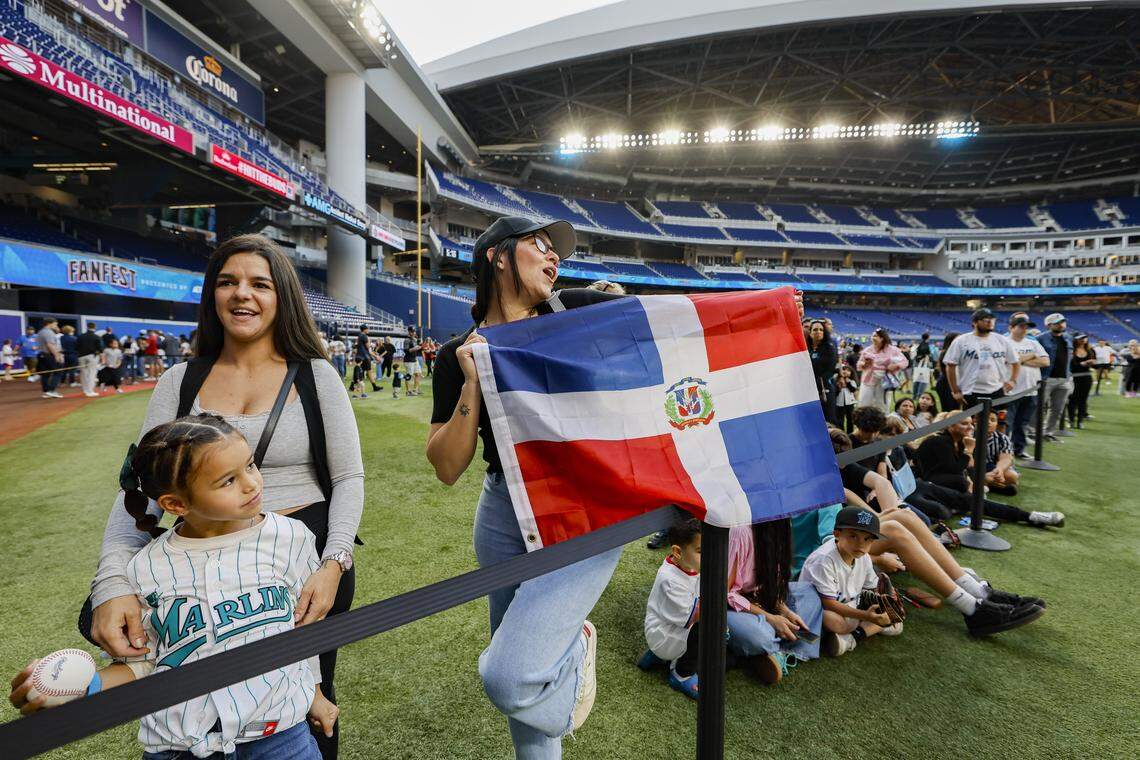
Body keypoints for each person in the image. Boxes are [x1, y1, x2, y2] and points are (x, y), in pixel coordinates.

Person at [87, 234, 364, 759]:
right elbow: (140, 491)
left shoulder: (315, 375)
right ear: (212, 296)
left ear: (281, 295)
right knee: (196, 691)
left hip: (302, 563)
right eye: (228, 282)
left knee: (307, 696)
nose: (243, 295)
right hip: (205, 565)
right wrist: (111, 585)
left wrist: (334, 563)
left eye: (260, 284)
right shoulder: (179, 380)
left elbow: (349, 478)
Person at [10, 416, 338, 757]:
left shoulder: (291, 537)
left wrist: (313, 693)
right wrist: (85, 686)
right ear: (175, 505)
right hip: (178, 747)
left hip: (282, 737)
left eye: (250, 465)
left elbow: (300, 628)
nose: (251, 483)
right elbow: (145, 662)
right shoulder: (144, 568)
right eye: (228, 481)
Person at [427, 215, 630, 756]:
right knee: (518, 662)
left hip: (586, 504)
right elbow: (447, 466)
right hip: (503, 510)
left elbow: (667, 328)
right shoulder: (456, 355)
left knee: (511, 674)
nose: (553, 255)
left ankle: (571, 645)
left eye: (555, 249)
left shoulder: (579, 311)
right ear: (497, 255)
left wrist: (765, 313)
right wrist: (473, 382)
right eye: (539, 245)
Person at [726, 520, 822, 684]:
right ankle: (768, 646)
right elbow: (725, 593)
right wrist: (770, 618)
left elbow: (770, 585)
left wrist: (784, 611)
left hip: (759, 600)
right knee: (759, 634)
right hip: (732, 607)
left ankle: (778, 652)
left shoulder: (781, 528)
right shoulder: (741, 531)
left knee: (808, 592)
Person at [800, 507, 902, 657]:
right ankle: (863, 629)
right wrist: (866, 616)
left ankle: (851, 638)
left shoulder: (864, 557)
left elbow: (871, 587)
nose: (861, 544)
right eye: (853, 536)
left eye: (867, 539)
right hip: (818, 610)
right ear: (837, 534)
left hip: (849, 605)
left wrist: (886, 599)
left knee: (892, 617)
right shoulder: (823, 560)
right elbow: (829, 604)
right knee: (832, 620)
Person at [639, 516, 701, 700]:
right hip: (663, 636)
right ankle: (682, 674)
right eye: (700, 551)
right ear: (677, 551)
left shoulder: (690, 566)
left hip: (671, 630)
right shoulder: (670, 579)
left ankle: (659, 658)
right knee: (709, 626)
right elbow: (692, 617)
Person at [942, 308, 1020, 409]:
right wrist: (955, 390)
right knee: (972, 422)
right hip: (970, 391)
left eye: (992, 319)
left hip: (996, 390)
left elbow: (1015, 361)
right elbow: (950, 365)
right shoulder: (961, 341)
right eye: (985, 320)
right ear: (975, 322)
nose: (990, 322)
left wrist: (1012, 380)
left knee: (998, 423)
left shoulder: (1001, 340)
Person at [1004, 314, 1050, 458]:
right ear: (1011, 327)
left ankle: (1019, 449)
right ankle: (1002, 451)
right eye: (1021, 326)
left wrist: (1019, 360)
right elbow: (1005, 361)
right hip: (1010, 390)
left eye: (1026, 327)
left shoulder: (1032, 342)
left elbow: (1045, 362)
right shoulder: (1003, 342)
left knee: (1022, 423)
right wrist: (1030, 356)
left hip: (1031, 389)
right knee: (1006, 424)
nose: (1025, 330)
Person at [1038, 313, 1073, 440]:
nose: (1061, 325)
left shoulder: (1068, 337)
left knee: (1057, 409)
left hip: (1064, 378)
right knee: (1038, 408)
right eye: (1057, 323)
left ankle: (1048, 433)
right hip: (1046, 378)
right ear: (1049, 325)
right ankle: (1033, 433)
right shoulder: (1040, 338)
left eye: (1062, 322)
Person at [856, 328, 908, 410]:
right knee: (864, 403)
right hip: (868, 380)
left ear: (882, 338)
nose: (873, 338)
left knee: (883, 405)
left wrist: (895, 366)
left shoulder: (893, 350)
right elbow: (859, 365)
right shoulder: (867, 350)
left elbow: (905, 362)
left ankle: (882, 421)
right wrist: (865, 364)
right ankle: (863, 421)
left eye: (875, 336)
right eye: (872, 336)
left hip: (885, 381)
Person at [807, 319, 837, 419]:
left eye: (821, 330)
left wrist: (818, 381)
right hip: (809, 388)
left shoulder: (829, 348)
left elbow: (830, 369)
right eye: (815, 330)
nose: (818, 332)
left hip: (825, 387)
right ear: (810, 333)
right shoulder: (806, 349)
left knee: (828, 417)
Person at [985, 410, 1019, 496]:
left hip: (993, 466)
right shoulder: (969, 434)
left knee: (1012, 476)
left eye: (992, 420)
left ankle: (989, 485)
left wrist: (999, 470)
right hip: (974, 467)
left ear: (996, 424)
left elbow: (1006, 458)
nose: (989, 422)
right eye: (985, 418)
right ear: (975, 421)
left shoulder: (1002, 438)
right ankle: (992, 486)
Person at [1068, 334, 1096, 428]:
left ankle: (1080, 421)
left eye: (1084, 338)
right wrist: (1082, 364)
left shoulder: (1090, 350)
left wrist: (1092, 363)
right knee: (1072, 399)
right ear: (1075, 340)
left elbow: (1095, 365)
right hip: (1074, 377)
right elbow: (1071, 366)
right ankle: (1071, 420)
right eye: (1080, 338)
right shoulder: (1071, 350)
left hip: (1086, 377)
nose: (1083, 340)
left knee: (1083, 400)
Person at [36, 318, 64, 399]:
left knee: (45, 374)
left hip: (41, 355)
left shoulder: (41, 331)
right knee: (58, 371)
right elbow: (50, 345)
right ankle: (52, 391)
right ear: (49, 323)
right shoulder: (49, 332)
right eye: (55, 324)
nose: (56, 326)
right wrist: (57, 355)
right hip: (48, 355)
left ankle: (46, 392)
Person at [77, 322, 103, 398]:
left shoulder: (80, 336)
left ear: (87, 327)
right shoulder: (96, 337)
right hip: (92, 356)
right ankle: (90, 391)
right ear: (95, 327)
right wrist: (101, 356)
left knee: (83, 374)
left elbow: (76, 347)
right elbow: (100, 348)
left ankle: (85, 390)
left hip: (81, 356)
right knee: (92, 373)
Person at [832, 364, 858, 433]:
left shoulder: (852, 381)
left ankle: (850, 432)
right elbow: (835, 393)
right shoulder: (837, 381)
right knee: (840, 419)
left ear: (851, 373)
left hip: (850, 403)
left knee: (850, 418)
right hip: (839, 403)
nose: (846, 371)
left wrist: (847, 383)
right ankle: (841, 432)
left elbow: (853, 390)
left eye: (848, 370)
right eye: (844, 370)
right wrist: (839, 387)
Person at [356, 325, 381, 393]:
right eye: (367, 329)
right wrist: (376, 356)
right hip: (365, 356)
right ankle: (374, 387)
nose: (368, 330)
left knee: (360, 372)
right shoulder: (364, 336)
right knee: (368, 371)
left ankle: (354, 386)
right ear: (365, 329)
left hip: (359, 356)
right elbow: (368, 348)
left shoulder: (359, 336)